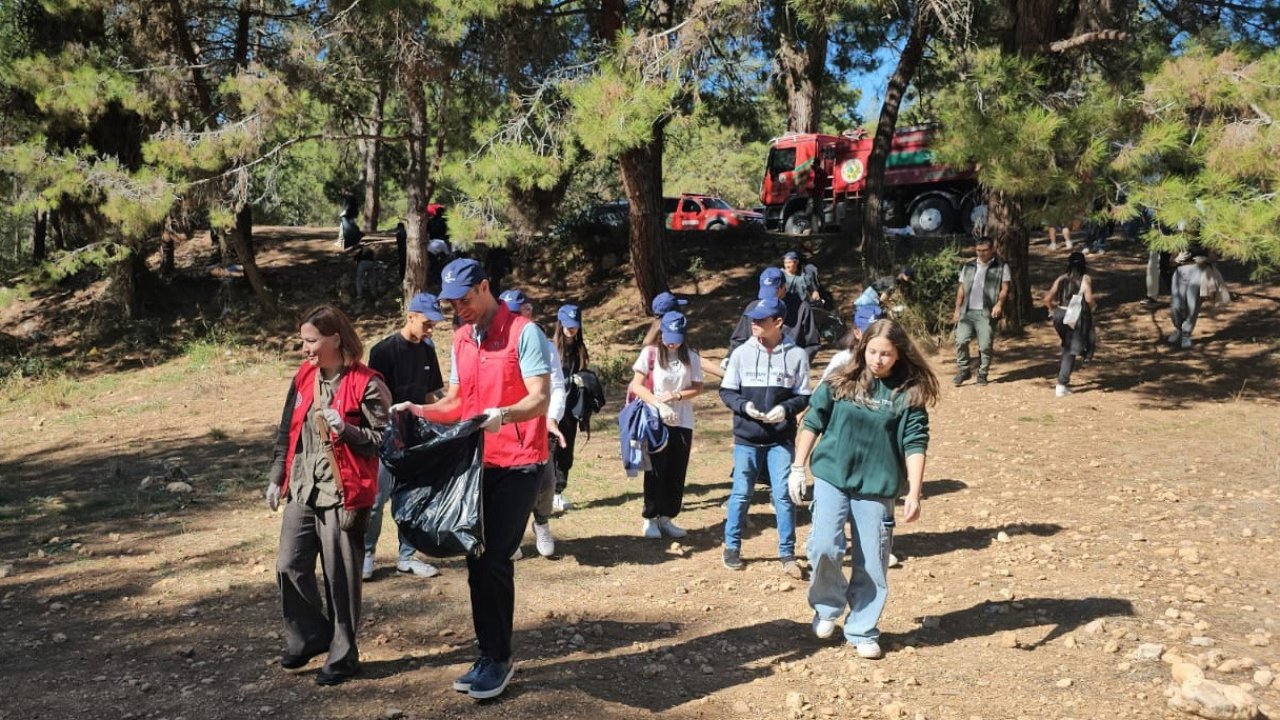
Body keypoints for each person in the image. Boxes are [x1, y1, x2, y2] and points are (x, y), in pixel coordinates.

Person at [391, 258, 551, 700]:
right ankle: (489, 653)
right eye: (450, 302)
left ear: (485, 287)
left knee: (494, 557)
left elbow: (539, 399)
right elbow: (457, 402)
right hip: (476, 465)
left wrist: (505, 414)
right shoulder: (462, 338)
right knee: (476, 556)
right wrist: (418, 410)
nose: (458, 308)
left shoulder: (525, 333)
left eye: (464, 299)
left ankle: (498, 659)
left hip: (519, 462)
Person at [789, 319, 938, 659]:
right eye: (872, 351)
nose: (878, 360)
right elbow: (813, 420)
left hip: (877, 484)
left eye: (886, 354)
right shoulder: (843, 378)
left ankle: (862, 628)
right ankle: (826, 607)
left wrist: (914, 491)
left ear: (899, 354)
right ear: (862, 347)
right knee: (825, 544)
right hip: (832, 474)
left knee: (873, 559)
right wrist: (798, 466)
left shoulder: (908, 393)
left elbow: (915, 442)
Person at [264, 304, 391, 686]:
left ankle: (343, 655)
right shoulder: (304, 377)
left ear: (335, 338)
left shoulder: (367, 383)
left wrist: (347, 430)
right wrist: (276, 476)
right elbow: (287, 429)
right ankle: (311, 637)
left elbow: (384, 442)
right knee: (289, 564)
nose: (305, 348)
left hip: (342, 493)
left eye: (311, 340)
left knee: (340, 578)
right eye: (303, 340)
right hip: (302, 489)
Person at [719, 296, 812, 575]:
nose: (754, 324)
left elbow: (804, 395)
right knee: (741, 493)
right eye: (752, 320)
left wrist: (785, 409)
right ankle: (732, 546)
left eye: (760, 320)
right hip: (747, 438)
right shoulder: (741, 353)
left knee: (784, 495)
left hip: (780, 439)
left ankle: (787, 553)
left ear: (778, 322)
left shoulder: (796, 355)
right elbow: (727, 391)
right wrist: (743, 406)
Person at [363, 293, 447, 580]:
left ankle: (407, 557)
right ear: (410, 316)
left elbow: (430, 393)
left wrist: (443, 420)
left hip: (415, 436)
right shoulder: (384, 351)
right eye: (426, 323)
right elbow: (371, 398)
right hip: (386, 436)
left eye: (434, 324)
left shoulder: (427, 350)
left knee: (411, 499)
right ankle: (366, 554)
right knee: (377, 499)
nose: (430, 329)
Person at [627, 311, 705, 538]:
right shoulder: (649, 354)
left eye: (677, 338)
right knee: (656, 469)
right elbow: (637, 386)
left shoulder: (691, 356)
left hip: (683, 420)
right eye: (668, 337)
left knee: (676, 468)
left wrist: (677, 396)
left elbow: (698, 386)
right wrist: (659, 404)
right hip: (656, 419)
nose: (672, 343)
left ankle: (667, 516)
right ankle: (650, 517)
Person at [498, 288, 563, 560]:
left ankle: (542, 522)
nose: (514, 319)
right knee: (509, 487)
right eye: (509, 313)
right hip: (507, 426)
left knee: (545, 483)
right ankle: (511, 536)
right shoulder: (495, 345)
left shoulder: (544, 345)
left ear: (528, 311)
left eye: (518, 312)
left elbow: (557, 385)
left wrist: (552, 418)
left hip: (538, 426)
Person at [728, 267, 821, 361]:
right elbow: (738, 340)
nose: (768, 297)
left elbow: (812, 344)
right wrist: (729, 359)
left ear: (784, 286)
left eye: (773, 292)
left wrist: (796, 362)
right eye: (765, 291)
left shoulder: (802, 309)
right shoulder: (753, 308)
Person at [951, 237, 1010, 386]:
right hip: (967, 311)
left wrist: (999, 304)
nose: (981, 253)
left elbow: (1005, 288)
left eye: (984, 250)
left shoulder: (1002, 266)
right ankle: (964, 370)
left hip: (986, 312)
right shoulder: (969, 266)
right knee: (960, 341)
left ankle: (982, 374)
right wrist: (957, 309)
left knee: (985, 346)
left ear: (992, 250)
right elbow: (961, 289)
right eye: (978, 250)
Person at [552, 303, 591, 512]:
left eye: (575, 325)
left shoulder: (579, 349)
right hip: (552, 409)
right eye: (568, 325)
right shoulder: (552, 348)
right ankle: (547, 492)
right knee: (550, 451)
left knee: (566, 450)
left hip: (572, 409)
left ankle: (558, 491)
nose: (572, 329)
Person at [1043, 252, 1096, 397]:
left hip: (1060, 314)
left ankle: (1083, 352)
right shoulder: (1085, 279)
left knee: (1068, 344)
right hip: (1075, 316)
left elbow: (1047, 298)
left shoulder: (1061, 278)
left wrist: (1052, 309)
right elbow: (1089, 298)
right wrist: (1093, 307)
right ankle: (1062, 383)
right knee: (1070, 350)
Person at [1169, 246, 1208, 349]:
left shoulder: (1203, 237)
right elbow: (1171, 262)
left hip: (1199, 271)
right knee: (1175, 305)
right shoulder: (1179, 239)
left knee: (1192, 304)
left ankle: (1186, 334)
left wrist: (1206, 260)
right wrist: (1177, 259)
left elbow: (1215, 255)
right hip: (1180, 271)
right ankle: (1178, 328)